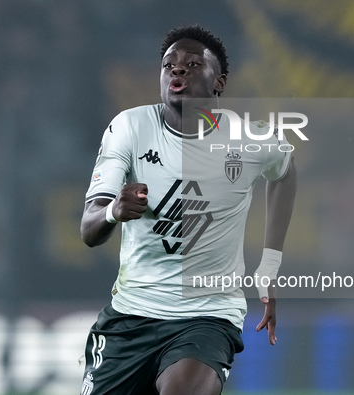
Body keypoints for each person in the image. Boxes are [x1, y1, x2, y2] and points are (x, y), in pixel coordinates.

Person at [80, 25, 297, 395]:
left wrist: (270, 263)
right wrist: (115, 211)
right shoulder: (129, 128)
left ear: (220, 82)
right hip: (132, 315)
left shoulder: (251, 140)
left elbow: (285, 171)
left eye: (192, 64)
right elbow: (89, 229)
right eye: (169, 65)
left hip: (207, 316)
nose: (177, 70)